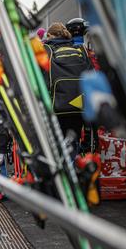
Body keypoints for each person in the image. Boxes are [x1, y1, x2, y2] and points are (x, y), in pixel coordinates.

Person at [44, 22, 94, 155]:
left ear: (50, 35)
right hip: (79, 106)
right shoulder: (80, 49)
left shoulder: (47, 51)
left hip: (57, 107)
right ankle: (76, 165)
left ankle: (66, 170)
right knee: (74, 141)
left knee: (58, 146)